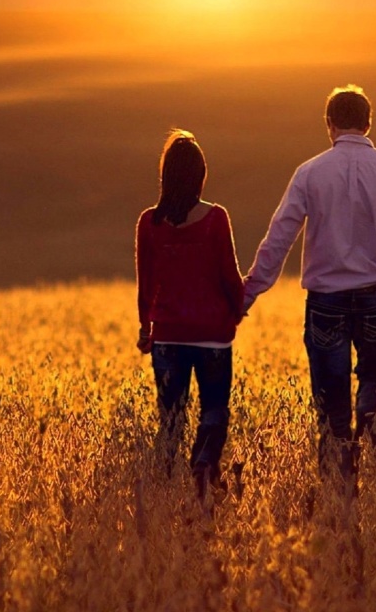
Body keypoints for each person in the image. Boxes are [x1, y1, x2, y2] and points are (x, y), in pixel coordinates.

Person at [242, 85, 376, 486]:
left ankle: (338, 487)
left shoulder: (309, 172)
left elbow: (280, 236)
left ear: (329, 125)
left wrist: (249, 292)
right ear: (367, 123)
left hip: (326, 300)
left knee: (331, 407)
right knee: (374, 383)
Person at [135, 130, 244, 500]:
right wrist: (238, 307)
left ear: (165, 175)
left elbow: (145, 284)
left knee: (170, 421)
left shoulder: (149, 223)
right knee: (214, 411)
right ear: (200, 175)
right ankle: (204, 468)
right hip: (213, 336)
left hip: (167, 338)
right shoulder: (216, 219)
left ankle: (165, 487)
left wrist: (145, 326)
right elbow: (230, 275)